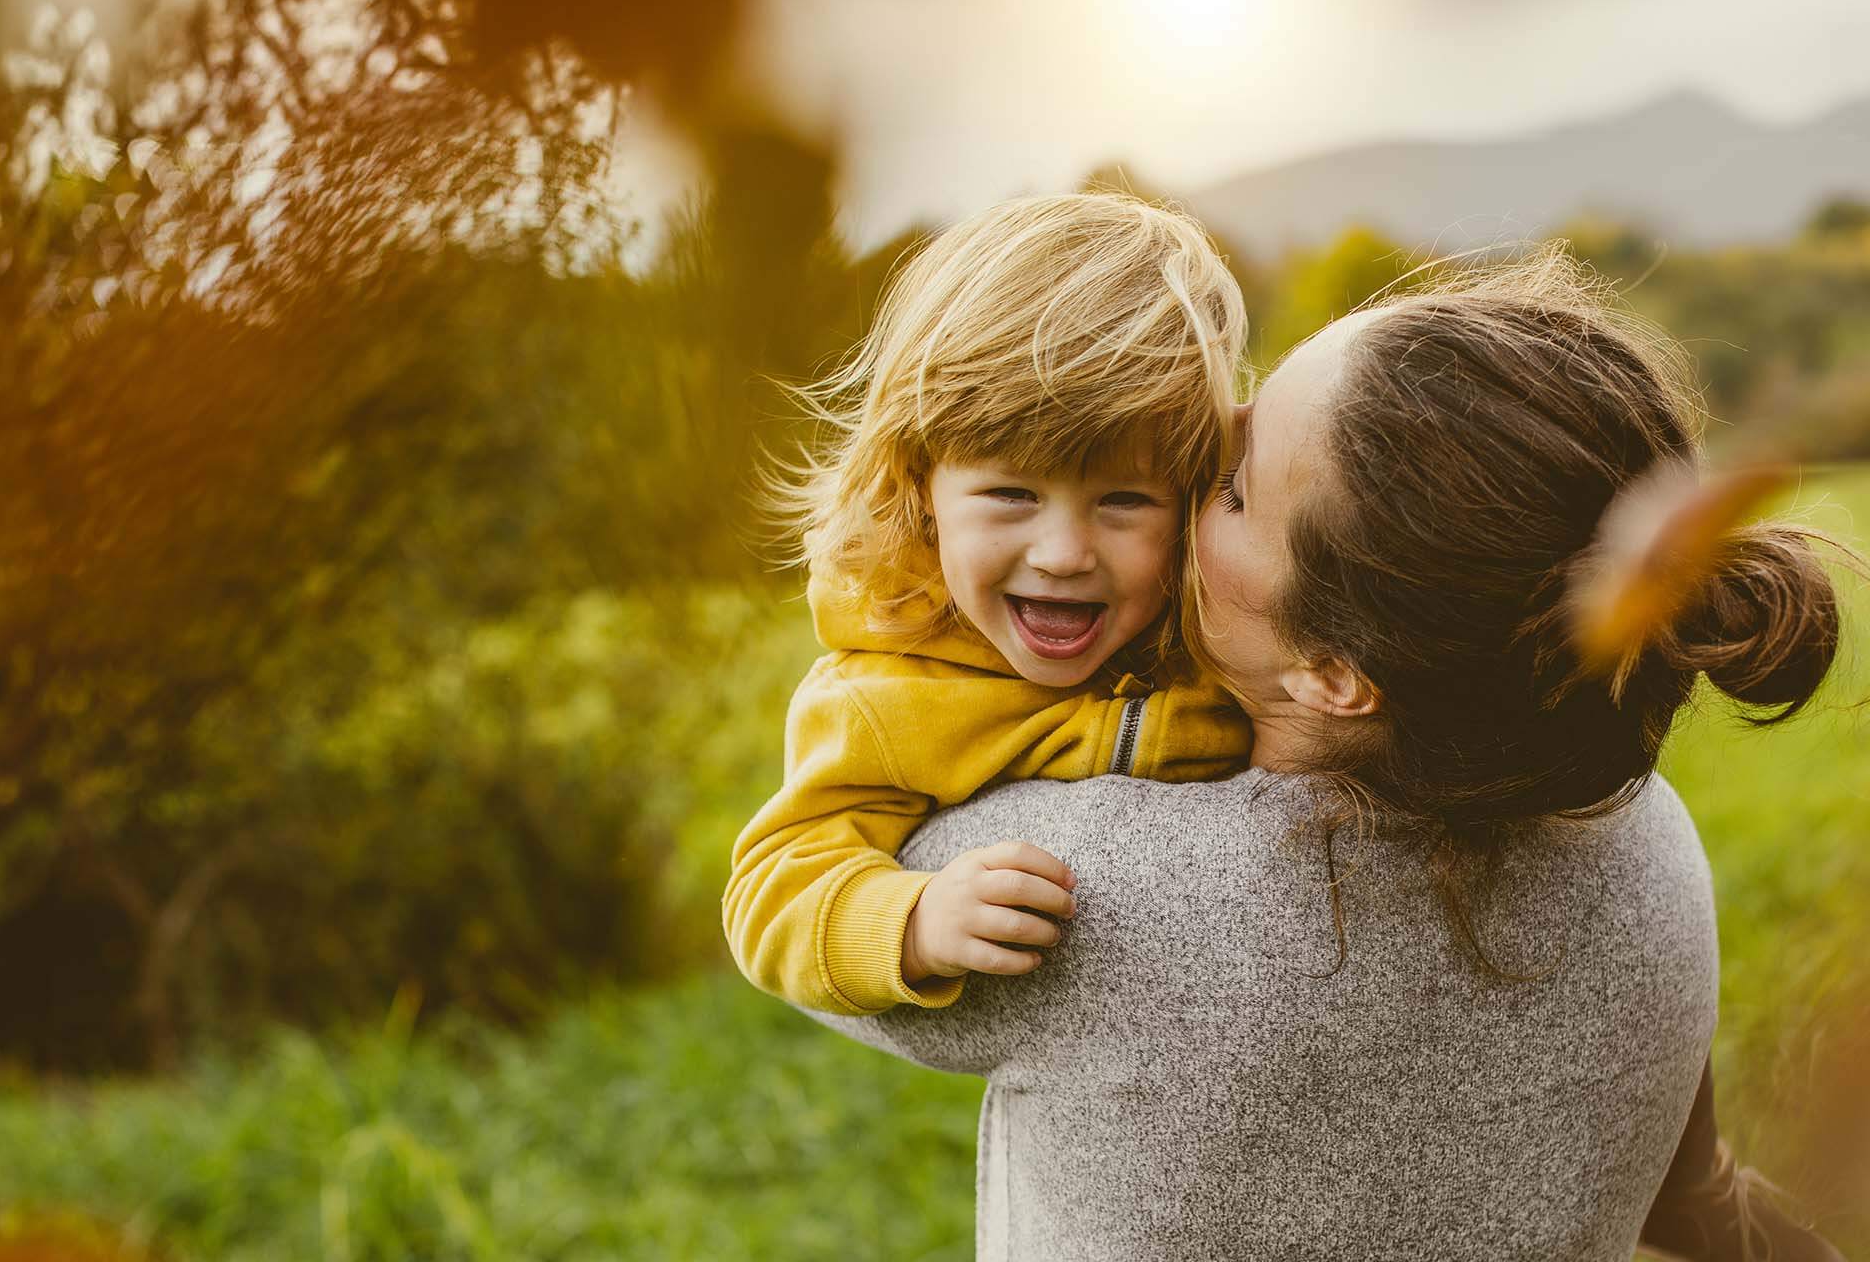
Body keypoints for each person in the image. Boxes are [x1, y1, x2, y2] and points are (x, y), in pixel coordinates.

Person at [806, 250, 1849, 1259]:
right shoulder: (1644, 839)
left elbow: (812, 913)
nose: (1183, 463)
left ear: (1334, 670)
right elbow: (1697, 1198)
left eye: (1227, 487)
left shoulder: (1080, 884)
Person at [723, 192, 1251, 1019]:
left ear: (1191, 499)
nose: (1064, 554)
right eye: (1010, 494)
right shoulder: (887, 694)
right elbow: (772, 887)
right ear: (919, 487)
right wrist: (913, 922)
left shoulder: (1221, 623)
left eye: (1124, 502)